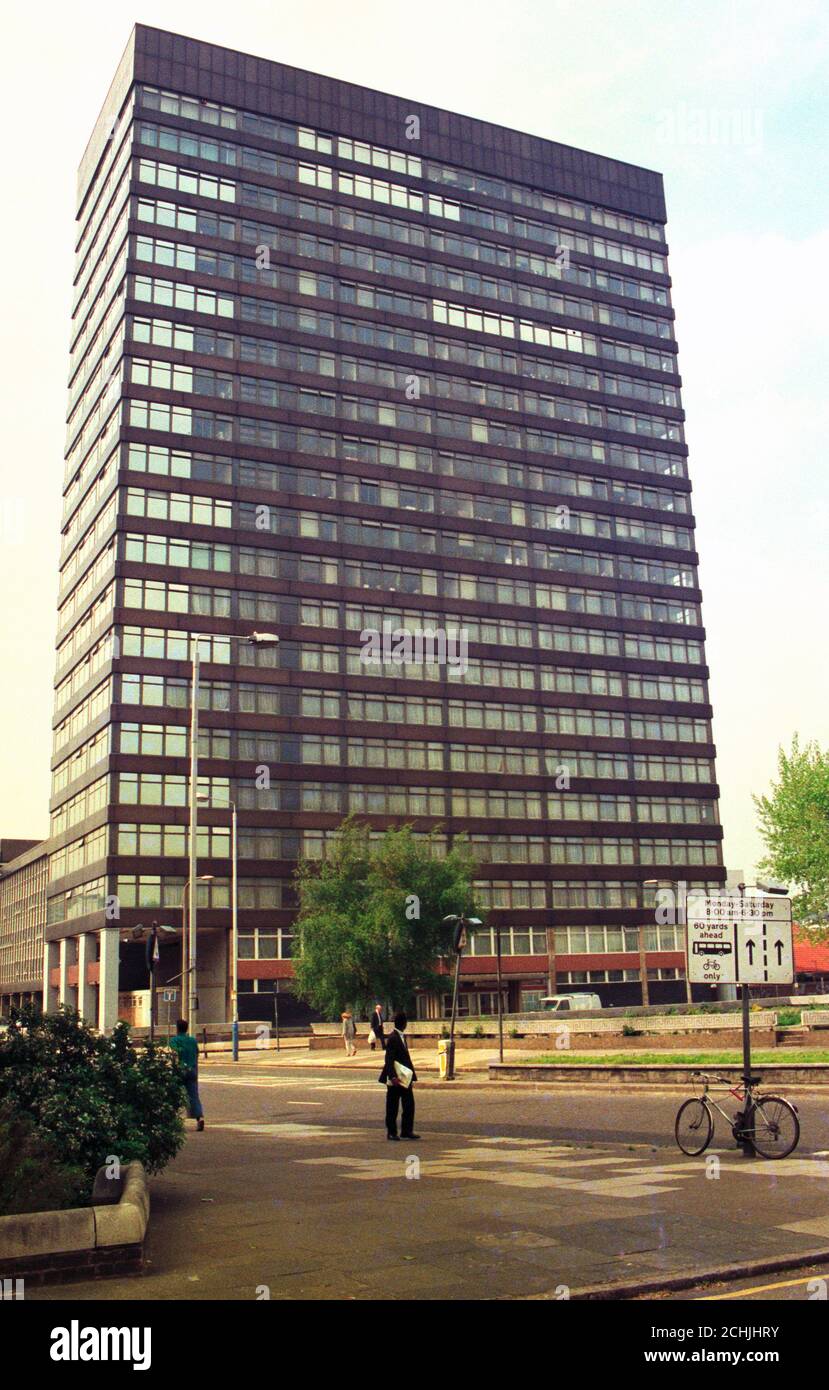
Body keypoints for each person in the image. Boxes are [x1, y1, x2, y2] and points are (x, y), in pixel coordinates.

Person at [379, 1011, 420, 1141]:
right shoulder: (393, 1038)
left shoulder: (401, 1037)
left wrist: (411, 1076)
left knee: (409, 1104)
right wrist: (392, 1076)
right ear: (403, 1023)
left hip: (404, 1077)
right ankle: (391, 1132)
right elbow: (389, 1059)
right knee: (392, 1106)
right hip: (396, 1078)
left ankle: (406, 1130)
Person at [169, 1018, 204, 1131]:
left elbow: (173, 1053)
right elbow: (197, 1053)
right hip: (192, 1070)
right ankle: (199, 1118)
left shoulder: (174, 1040)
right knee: (193, 1095)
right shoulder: (193, 1040)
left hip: (179, 1070)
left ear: (177, 1029)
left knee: (174, 1094)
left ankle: (173, 1119)